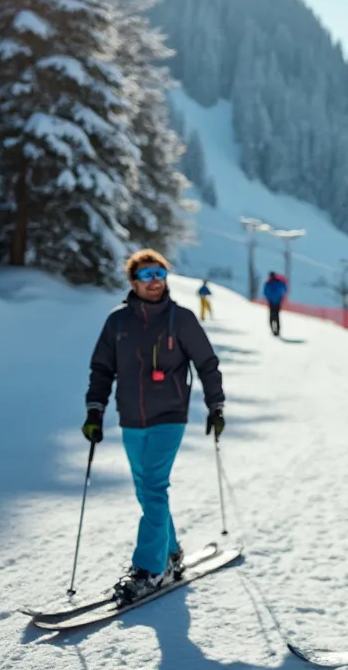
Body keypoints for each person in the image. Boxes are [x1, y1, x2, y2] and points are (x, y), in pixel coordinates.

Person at [84, 249, 226, 604]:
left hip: (170, 416)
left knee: (153, 487)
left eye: (159, 274)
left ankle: (150, 569)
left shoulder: (181, 319)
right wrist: (95, 410)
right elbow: (102, 368)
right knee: (146, 490)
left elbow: (207, 364)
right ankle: (171, 552)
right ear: (133, 282)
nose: (155, 282)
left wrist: (216, 405)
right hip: (131, 418)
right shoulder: (118, 323)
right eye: (146, 275)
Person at [262, 271, 287, 336]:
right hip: (278, 302)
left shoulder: (268, 283)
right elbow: (284, 290)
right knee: (277, 316)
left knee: (271, 316)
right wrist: (280, 297)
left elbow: (265, 292)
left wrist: (268, 298)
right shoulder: (279, 282)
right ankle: (277, 330)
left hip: (271, 302)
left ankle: (273, 330)